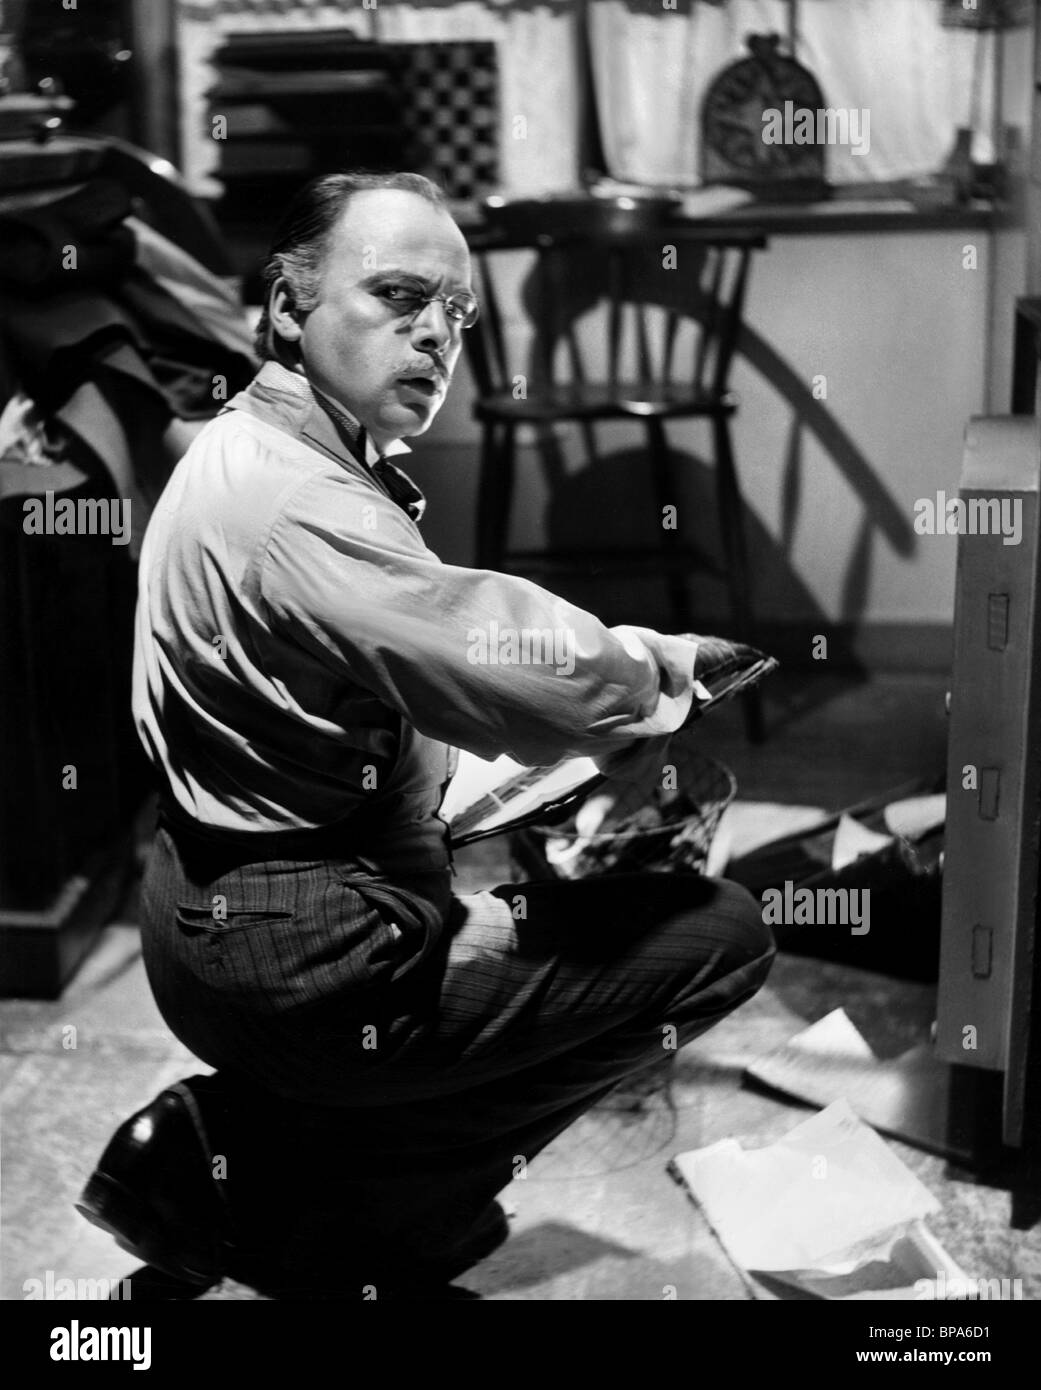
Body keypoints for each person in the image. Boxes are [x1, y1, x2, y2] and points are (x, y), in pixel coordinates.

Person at [77, 171, 775, 1300]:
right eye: (399, 295)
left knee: (545, 876)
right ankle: (315, 1217)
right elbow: (510, 651)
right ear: (291, 306)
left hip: (210, 909)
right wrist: (656, 676)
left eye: (456, 312)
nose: (436, 334)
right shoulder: (296, 498)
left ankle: (262, 1160)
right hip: (300, 960)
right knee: (722, 936)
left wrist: (508, 768)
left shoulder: (256, 445)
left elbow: (388, 675)